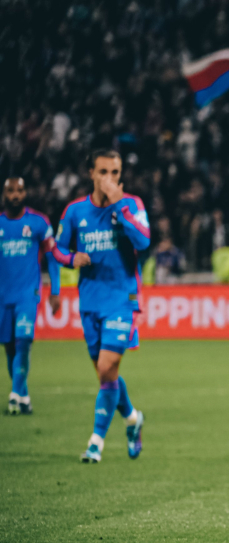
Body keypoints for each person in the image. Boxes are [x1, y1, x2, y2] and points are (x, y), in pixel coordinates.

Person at [54, 150, 150, 463]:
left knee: (108, 367)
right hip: (90, 302)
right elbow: (57, 249)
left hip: (122, 300)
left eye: (115, 172)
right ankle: (133, 418)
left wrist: (119, 205)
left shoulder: (132, 204)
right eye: (104, 172)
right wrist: (71, 259)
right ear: (91, 174)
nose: (110, 178)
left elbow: (143, 240)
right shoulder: (75, 211)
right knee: (106, 375)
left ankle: (95, 443)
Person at [0, 178, 61, 415]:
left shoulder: (38, 222)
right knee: (9, 348)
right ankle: (24, 396)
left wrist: (55, 291)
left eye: (20, 190)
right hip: (3, 297)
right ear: (4, 195)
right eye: (11, 191)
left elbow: (52, 258)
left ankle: (15, 395)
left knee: (23, 341)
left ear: (25, 193)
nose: (16, 195)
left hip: (28, 294)